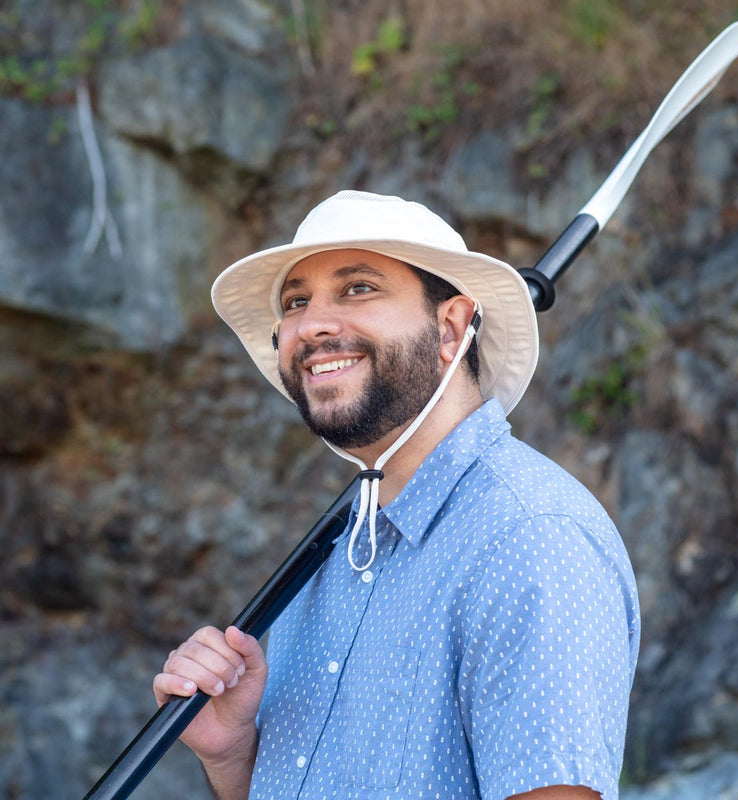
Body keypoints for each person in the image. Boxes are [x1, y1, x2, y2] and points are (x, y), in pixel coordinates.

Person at [153, 190, 640, 800]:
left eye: (358, 288)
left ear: (452, 326)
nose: (313, 323)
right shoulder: (333, 553)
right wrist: (235, 759)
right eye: (296, 301)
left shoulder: (531, 539)